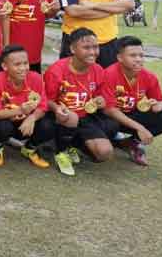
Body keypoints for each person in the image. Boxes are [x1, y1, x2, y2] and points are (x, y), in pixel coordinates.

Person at [44, 28, 119, 176]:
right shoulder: (56, 71)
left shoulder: (98, 70)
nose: (93, 52)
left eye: (95, 47)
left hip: (85, 117)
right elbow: (46, 100)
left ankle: (72, 143)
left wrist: (100, 100)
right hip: (59, 117)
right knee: (71, 117)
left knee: (104, 153)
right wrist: (57, 108)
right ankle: (61, 152)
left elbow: (103, 97)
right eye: (86, 47)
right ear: (72, 48)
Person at [104, 36, 162, 166]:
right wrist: (140, 128)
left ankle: (131, 143)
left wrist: (157, 106)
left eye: (141, 55)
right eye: (133, 55)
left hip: (130, 115)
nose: (138, 59)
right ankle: (108, 140)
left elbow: (160, 100)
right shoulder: (109, 74)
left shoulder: (149, 77)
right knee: (109, 127)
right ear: (119, 57)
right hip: (111, 117)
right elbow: (110, 110)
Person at [0, 45, 52, 169]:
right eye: (17, 64)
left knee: (49, 124)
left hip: (26, 125)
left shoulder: (35, 78)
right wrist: (19, 110)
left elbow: (43, 106)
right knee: (1, 126)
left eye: (25, 63)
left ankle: (29, 148)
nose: (23, 68)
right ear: (5, 66)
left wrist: (32, 118)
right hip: (5, 124)